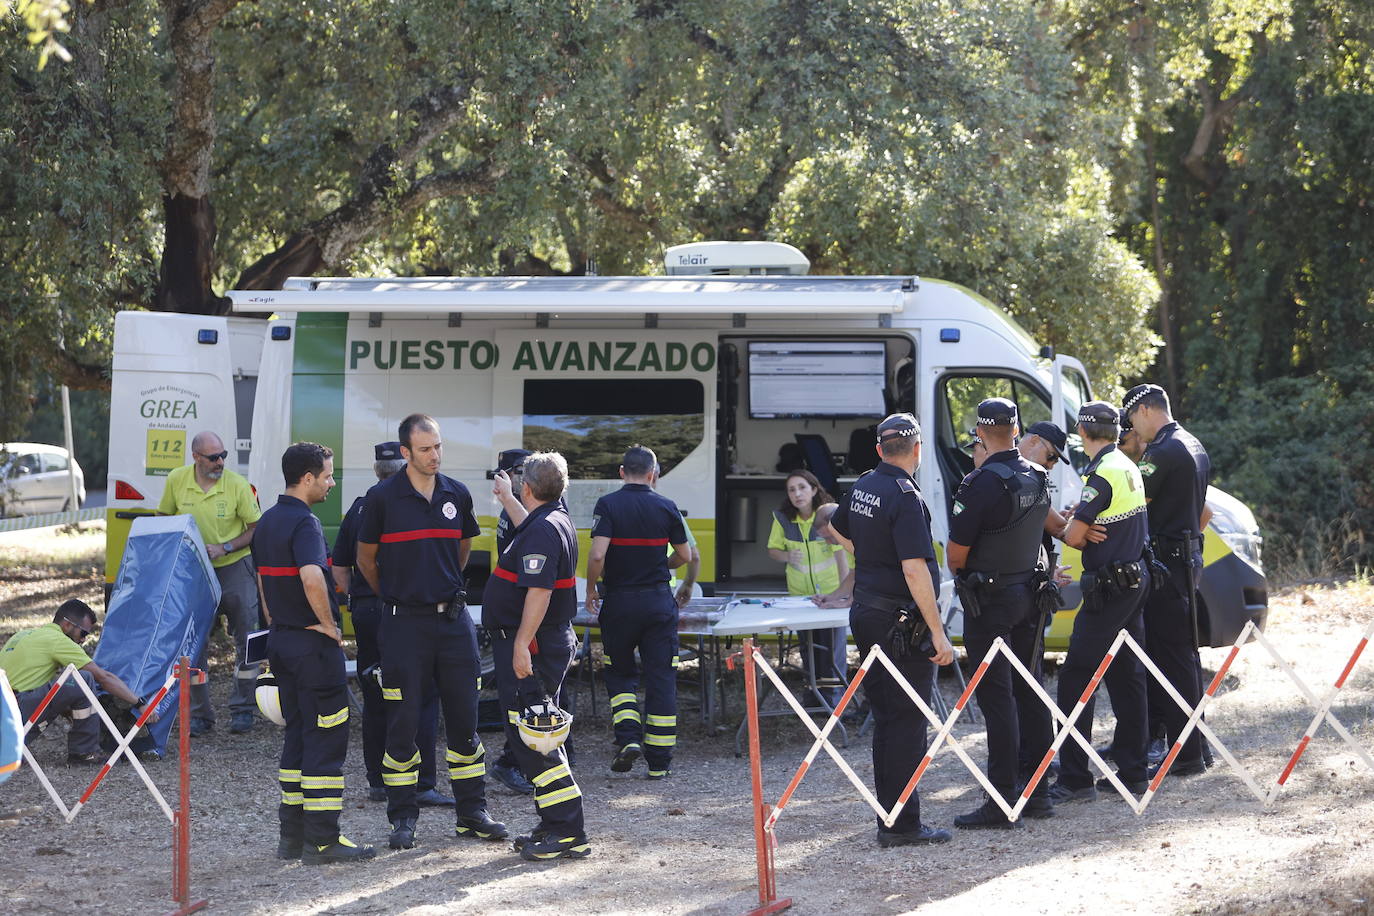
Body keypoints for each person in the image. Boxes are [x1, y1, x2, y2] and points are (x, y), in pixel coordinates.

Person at [355, 414, 505, 850]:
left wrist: (440, 590)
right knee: (402, 725)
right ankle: (403, 817)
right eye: (425, 449)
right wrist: (401, 596)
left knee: (465, 721)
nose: (434, 455)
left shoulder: (456, 493)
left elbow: (462, 550)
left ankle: (472, 814)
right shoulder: (382, 499)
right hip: (403, 624)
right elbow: (367, 562)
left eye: (438, 446)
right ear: (405, 453)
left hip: (453, 622)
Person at [827, 412, 954, 847]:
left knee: (886, 717)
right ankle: (902, 825)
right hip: (900, 623)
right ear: (917, 450)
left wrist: (870, 553)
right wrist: (938, 632)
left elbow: (835, 526)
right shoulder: (905, 496)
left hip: (866, 612)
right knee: (905, 720)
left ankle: (891, 817)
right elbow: (915, 570)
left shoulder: (864, 485)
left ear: (880, 449)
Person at [253, 442, 375, 864]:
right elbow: (311, 576)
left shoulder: (266, 522)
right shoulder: (305, 523)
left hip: (282, 641)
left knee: (298, 737)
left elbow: (264, 585)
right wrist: (328, 625)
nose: (331, 482)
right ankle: (324, 841)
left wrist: (277, 626)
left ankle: (292, 838)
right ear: (306, 479)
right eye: (327, 475)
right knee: (326, 739)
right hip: (311, 647)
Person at [946, 398, 1055, 828]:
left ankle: (1002, 800)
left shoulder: (979, 484)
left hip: (990, 602)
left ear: (980, 432)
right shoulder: (1040, 475)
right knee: (1031, 691)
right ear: (1016, 428)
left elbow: (957, 555)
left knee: (998, 700)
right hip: (1030, 596)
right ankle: (1039, 792)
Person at [483, 451, 591, 862]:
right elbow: (527, 523)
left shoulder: (545, 530)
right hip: (539, 642)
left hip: (534, 645)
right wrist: (508, 497)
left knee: (535, 737)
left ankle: (566, 829)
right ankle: (555, 824)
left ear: (529, 488)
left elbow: (539, 591)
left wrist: (519, 643)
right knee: (534, 733)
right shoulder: (550, 519)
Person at [332, 442, 452, 807]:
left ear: (374, 470)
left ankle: (378, 780)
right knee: (423, 692)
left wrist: (360, 595)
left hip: (368, 611)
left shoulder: (359, 507)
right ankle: (422, 782)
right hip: (406, 610)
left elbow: (339, 567)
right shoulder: (405, 504)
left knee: (375, 691)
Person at [1047, 402, 1151, 802]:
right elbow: (1106, 518)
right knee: (1128, 678)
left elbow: (1074, 537)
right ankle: (1133, 770)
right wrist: (1085, 521)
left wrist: (1078, 526)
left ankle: (1074, 778)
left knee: (1076, 678)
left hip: (1109, 591)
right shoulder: (1125, 464)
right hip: (1133, 582)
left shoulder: (1101, 472)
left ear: (1081, 432)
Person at [584, 445, 691, 779]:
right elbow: (685, 556)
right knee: (661, 677)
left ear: (621, 472)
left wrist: (590, 588)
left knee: (619, 671)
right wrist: (661, 564)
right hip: (658, 602)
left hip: (619, 602)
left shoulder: (608, 504)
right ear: (653, 474)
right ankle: (659, 763)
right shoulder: (667, 506)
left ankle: (628, 737)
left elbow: (598, 554)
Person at [1123, 384, 1213, 777]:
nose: (1132, 430)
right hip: (1187, 559)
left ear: (1144, 410)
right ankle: (1197, 746)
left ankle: (1186, 754)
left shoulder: (1161, 453)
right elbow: (1204, 511)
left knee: (1171, 660)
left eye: (1131, 421)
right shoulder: (1192, 444)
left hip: (1167, 566)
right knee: (1185, 657)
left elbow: (1129, 503)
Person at [157, 430, 263, 736]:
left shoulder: (237, 486)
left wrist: (226, 547)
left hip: (233, 568)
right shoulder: (177, 480)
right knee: (194, 643)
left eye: (223, 456)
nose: (220, 462)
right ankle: (200, 715)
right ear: (195, 457)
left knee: (249, 638)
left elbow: (256, 528)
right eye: (213, 457)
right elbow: (163, 517)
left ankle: (243, 709)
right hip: (194, 574)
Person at [1, 600, 153, 765]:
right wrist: (139, 702)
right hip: (15, 711)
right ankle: (85, 753)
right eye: (83, 634)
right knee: (84, 678)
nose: (83, 641)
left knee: (65, 685)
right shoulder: (57, 640)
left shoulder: (22, 635)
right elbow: (103, 678)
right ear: (67, 624)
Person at [767, 470, 851, 706]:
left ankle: (833, 702)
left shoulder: (827, 517)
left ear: (814, 489)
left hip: (831, 594)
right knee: (808, 650)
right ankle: (813, 700)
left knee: (832, 652)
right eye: (792, 490)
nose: (797, 494)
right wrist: (786, 556)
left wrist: (843, 595)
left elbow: (843, 561)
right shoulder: (783, 518)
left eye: (802, 487)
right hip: (802, 596)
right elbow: (772, 550)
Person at [486, 449, 539, 796]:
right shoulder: (517, 511)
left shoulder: (520, 506)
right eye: (522, 471)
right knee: (518, 692)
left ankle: (531, 755)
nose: (526, 478)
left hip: (522, 611)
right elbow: (534, 533)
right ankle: (511, 761)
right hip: (516, 612)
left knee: (532, 690)